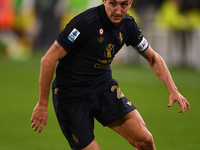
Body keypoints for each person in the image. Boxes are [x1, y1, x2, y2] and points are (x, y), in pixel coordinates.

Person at [30, 0, 190, 149]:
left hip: (103, 87)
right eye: (113, 3)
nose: (118, 11)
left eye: (124, 4)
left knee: (145, 141)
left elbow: (153, 58)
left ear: (130, 3)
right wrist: (42, 104)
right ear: (104, 0)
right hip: (71, 96)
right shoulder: (84, 23)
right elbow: (48, 60)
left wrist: (173, 89)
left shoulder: (128, 25)